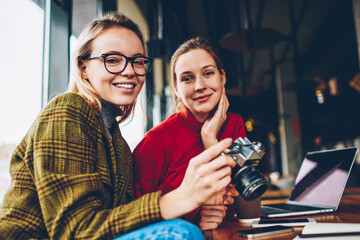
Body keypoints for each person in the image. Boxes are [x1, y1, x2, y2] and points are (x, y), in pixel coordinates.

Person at [0, 13, 237, 240]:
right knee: (179, 233)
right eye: (112, 60)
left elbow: (122, 221)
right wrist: (183, 197)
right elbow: (73, 232)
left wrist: (198, 210)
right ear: (84, 67)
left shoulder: (118, 144)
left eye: (138, 61)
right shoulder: (67, 110)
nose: (129, 71)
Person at [133, 37, 246, 230]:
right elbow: (136, 218)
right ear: (176, 88)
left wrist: (210, 139)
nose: (199, 86)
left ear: (223, 77)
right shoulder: (155, 141)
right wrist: (194, 222)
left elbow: (244, 200)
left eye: (208, 73)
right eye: (187, 78)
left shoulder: (234, 124)